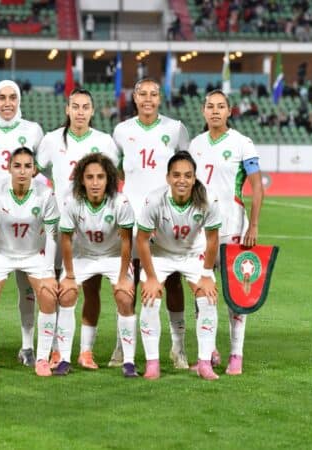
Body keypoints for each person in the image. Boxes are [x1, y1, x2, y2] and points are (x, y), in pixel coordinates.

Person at [36, 88, 121, 370]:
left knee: (91, 289)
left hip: (91, 228)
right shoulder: (51, 140)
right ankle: (56, 349)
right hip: (58, 227)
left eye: (85, 107)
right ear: (67, 110)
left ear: (92, 111)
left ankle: (86, 351)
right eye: (75, 106)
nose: (80, 112)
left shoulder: (104, 141)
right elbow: (35, 171)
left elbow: (113, 181)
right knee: (57, 289)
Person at [113, 77, 192, 369]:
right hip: (132, 217)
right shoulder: (122, 131)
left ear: (160, 98)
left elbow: (186, 168)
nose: (148, 99)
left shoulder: (175, 128)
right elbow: (116, 170)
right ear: (135, 98)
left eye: (153, 94)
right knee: (129, 280)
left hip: (166, 217)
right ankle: (123, 346)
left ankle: (178, 347)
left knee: (172, 280)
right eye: (142, 94)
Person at [188, 89, 264, 376]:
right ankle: (208, 352)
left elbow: (257, 187)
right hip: (200, 231)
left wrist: (253, 225)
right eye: (210, 106)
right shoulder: (195, 144)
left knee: (236, 297)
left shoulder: (243, 144)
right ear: (203, 111)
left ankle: (236, 355)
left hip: (234, 228)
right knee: (202, 293)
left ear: (229, 111)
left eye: (221, 106)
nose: (215, 111)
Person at [0, 80, 44, 367]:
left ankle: (27, 346)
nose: (7, 103)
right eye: (1, 97)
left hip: (25, 216)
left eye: (12, 97)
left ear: (19, 100)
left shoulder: (33, 130)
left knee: (27, 285)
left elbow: (42, 167)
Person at [136, 151, 221, 381]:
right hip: (161, 254)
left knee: (208, 298)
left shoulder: (208, 199)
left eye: (187, 175)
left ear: (194, 178)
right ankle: (152, 364)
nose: (181, 180)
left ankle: (204, 363)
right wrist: (151, 278)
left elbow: (213, 239)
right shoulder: (154, 200)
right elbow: (141, 240)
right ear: (168, 178)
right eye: (176, 175)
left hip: (193, 254)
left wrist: (206, 274)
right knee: (150, 298)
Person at [0, 147, 60, 376]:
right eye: (17, 166)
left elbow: (52, 235)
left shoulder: (45, 194)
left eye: (27, 166)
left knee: (48, 296)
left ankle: (41, 359)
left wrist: (49, 272)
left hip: (34, 254)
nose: (22, 171)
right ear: (9, 168)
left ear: (34, 170)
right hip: (1, 253)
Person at [56, 153, 137, 377]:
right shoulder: (72, 203)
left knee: (124, 297)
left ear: (108, 179)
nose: (95, 183)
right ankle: (65, 358)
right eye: (89, 177)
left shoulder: (120, 202)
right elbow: (65, 240)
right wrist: (69, 275)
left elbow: (126, 241)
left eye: (100, 177)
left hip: (113, 256)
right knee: (67, 294)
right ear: (81, 180)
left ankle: (129, 362)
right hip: (83, 256)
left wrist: (123, 277)